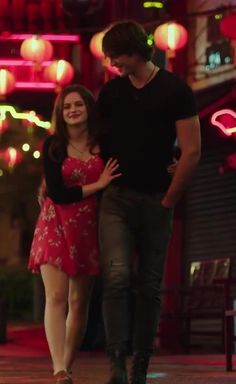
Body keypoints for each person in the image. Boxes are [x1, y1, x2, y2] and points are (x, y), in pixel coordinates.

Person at [96, 20, 201, 384]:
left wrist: (169, 200)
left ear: (136, 51)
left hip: (158, 197)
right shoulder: (111, 94)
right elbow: (93, 145)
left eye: (117, 56)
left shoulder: (176, 91)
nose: (113, 63)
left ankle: (140, 365)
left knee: (149, 284)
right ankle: (116, 365)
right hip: (117, 200)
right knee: (116, 277)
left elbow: (192, 151)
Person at [28, 84, 121, 384]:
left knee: (79, 301)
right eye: (67, 107)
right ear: (60, 113)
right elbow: (58, 193)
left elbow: (125, 172)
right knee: (56, 296)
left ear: (88, 108)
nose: (72, 110)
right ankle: (58, 368)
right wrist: (99, 184)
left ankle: (66, 366)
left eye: (78, 104)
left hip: (88, 228)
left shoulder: (105, 145)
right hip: (55, 223)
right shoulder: (53, 146)